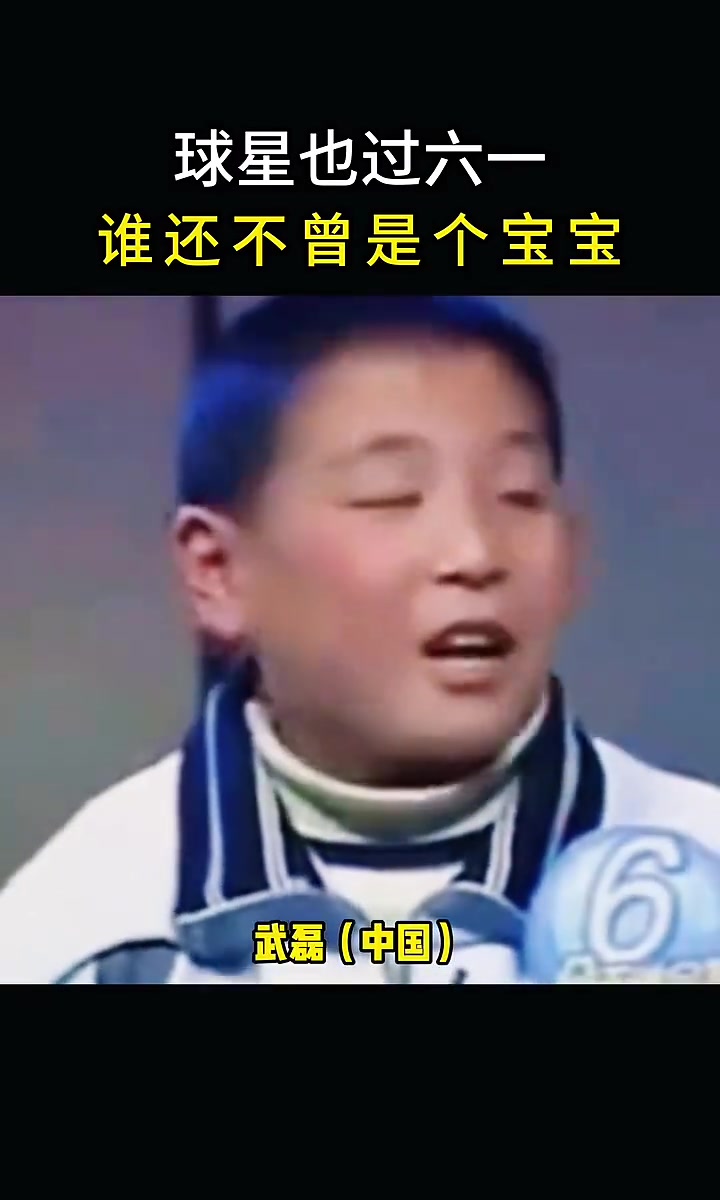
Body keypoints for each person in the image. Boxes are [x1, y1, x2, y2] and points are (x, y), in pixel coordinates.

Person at [2, 294, 720, 984]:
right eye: (390, 497)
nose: (475, 553)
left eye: (519, 495)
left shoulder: (697, 873)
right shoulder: (95, 926)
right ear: (217, 571)